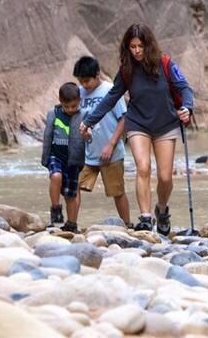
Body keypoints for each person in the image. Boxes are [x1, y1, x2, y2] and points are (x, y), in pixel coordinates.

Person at [81, 24, 195, 235]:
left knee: (165, 177)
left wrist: (187, 107)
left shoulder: (166, 63)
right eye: (132, 47)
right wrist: (89, 121)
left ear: (148, 45)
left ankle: (161, 210)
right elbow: (111, 98)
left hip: (165, 124)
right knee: (143, 167)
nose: (136, 51)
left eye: (140, 46)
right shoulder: (127, 70)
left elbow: (184, 88)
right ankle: (144, 217)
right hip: (138, 123)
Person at [72, 56, 133, 227]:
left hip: (111, 152)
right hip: (87, 152)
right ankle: (72, 224)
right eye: (81, 81)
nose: (84, 85)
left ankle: (127, 225)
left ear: (97, 74)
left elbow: (123, 118)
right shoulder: (79, 93)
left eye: (87, 80)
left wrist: (111, 144)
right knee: (73, 186)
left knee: (117, 192)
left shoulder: (111, 90)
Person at [40, 83, 83, 230]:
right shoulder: (54, 113)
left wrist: (88, 136)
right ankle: (56, 208)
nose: (70, 110)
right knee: (56, 176)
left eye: (73, 106)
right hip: (55, 155)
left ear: (79, 101)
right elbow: (47, 135)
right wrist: (45, 158)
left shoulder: (83, 115)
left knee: (70, 195)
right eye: (67, 107)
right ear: (60, 101)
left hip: (73, 160)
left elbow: (89, 139)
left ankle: (71, 224)